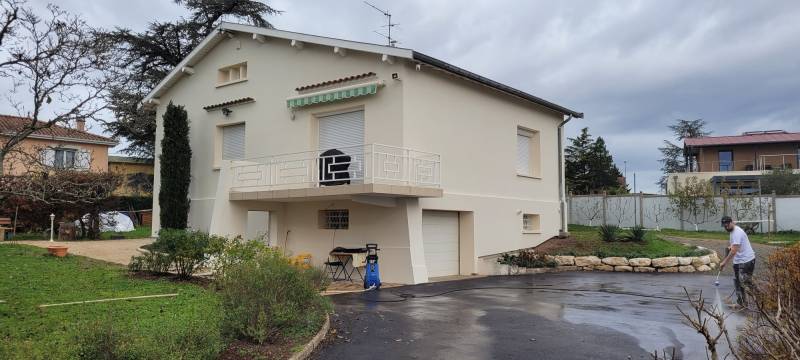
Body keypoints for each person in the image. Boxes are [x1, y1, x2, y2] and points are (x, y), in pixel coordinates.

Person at [718, 216, 756, 308]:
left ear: (732, 222)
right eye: (724, 226)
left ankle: (745, 302)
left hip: (746, 260)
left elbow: (734, 250)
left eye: (727, 225)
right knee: (743, 281)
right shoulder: (732, 231)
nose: (726, 227)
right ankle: (749, 301)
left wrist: (724, 262)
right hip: (743, 260)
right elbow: (733, 247)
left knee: (742, 281)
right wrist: (728, 250)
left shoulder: (737, 232)